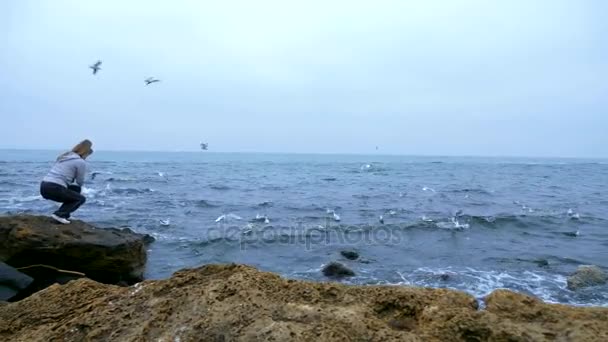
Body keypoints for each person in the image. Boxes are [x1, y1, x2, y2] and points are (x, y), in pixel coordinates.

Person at [40, 139, 93, 224]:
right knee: (80, 199)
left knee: (75, 189)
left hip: (44, 186)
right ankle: (59, 215)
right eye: (87, 155)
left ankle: (65, 214)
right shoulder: (80, 162)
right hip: (55, 187)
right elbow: (80, 181)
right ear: (85, 153)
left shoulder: (66, 156)